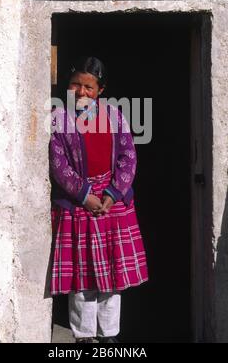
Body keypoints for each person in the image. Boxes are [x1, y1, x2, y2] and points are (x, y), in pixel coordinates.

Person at [49, 56, 148, 343]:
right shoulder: (59, 118)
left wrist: (112, 193)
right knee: (82, 277)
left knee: (112, 276)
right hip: (78, 204)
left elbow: (128, 156)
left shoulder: (115, 116)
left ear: (100, 90)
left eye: (88, 87)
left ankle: (108, 335)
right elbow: (59, 165)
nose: (81, 92)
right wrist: (85, 196)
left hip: (112, 204)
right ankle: (84, 336)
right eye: (75, 85)